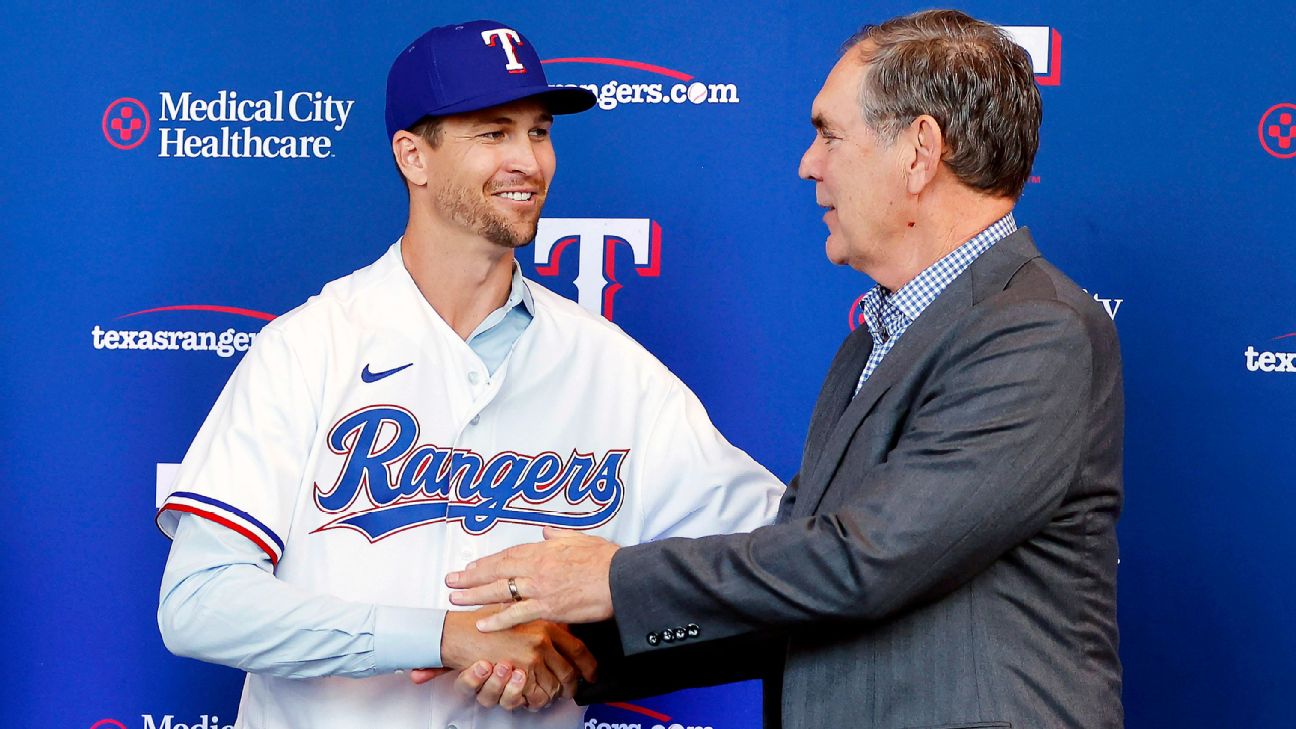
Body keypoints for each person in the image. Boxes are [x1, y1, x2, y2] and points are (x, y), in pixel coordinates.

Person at [446, 10, 1125, 729]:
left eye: (830, 134)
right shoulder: (872, 342)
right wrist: (576, 656)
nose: (809, 163)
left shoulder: (1033, 329)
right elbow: (795, 593)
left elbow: (866, 562)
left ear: (920, 151)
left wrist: (611, 577)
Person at [155, 19, 783, 729]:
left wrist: (588, 641)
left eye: (539, 132)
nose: (529, 161)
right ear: (413, 156)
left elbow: (778, 563)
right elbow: (200, 602)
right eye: (493, 133)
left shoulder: (616, 369)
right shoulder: (308, 348)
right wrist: (443, 637)